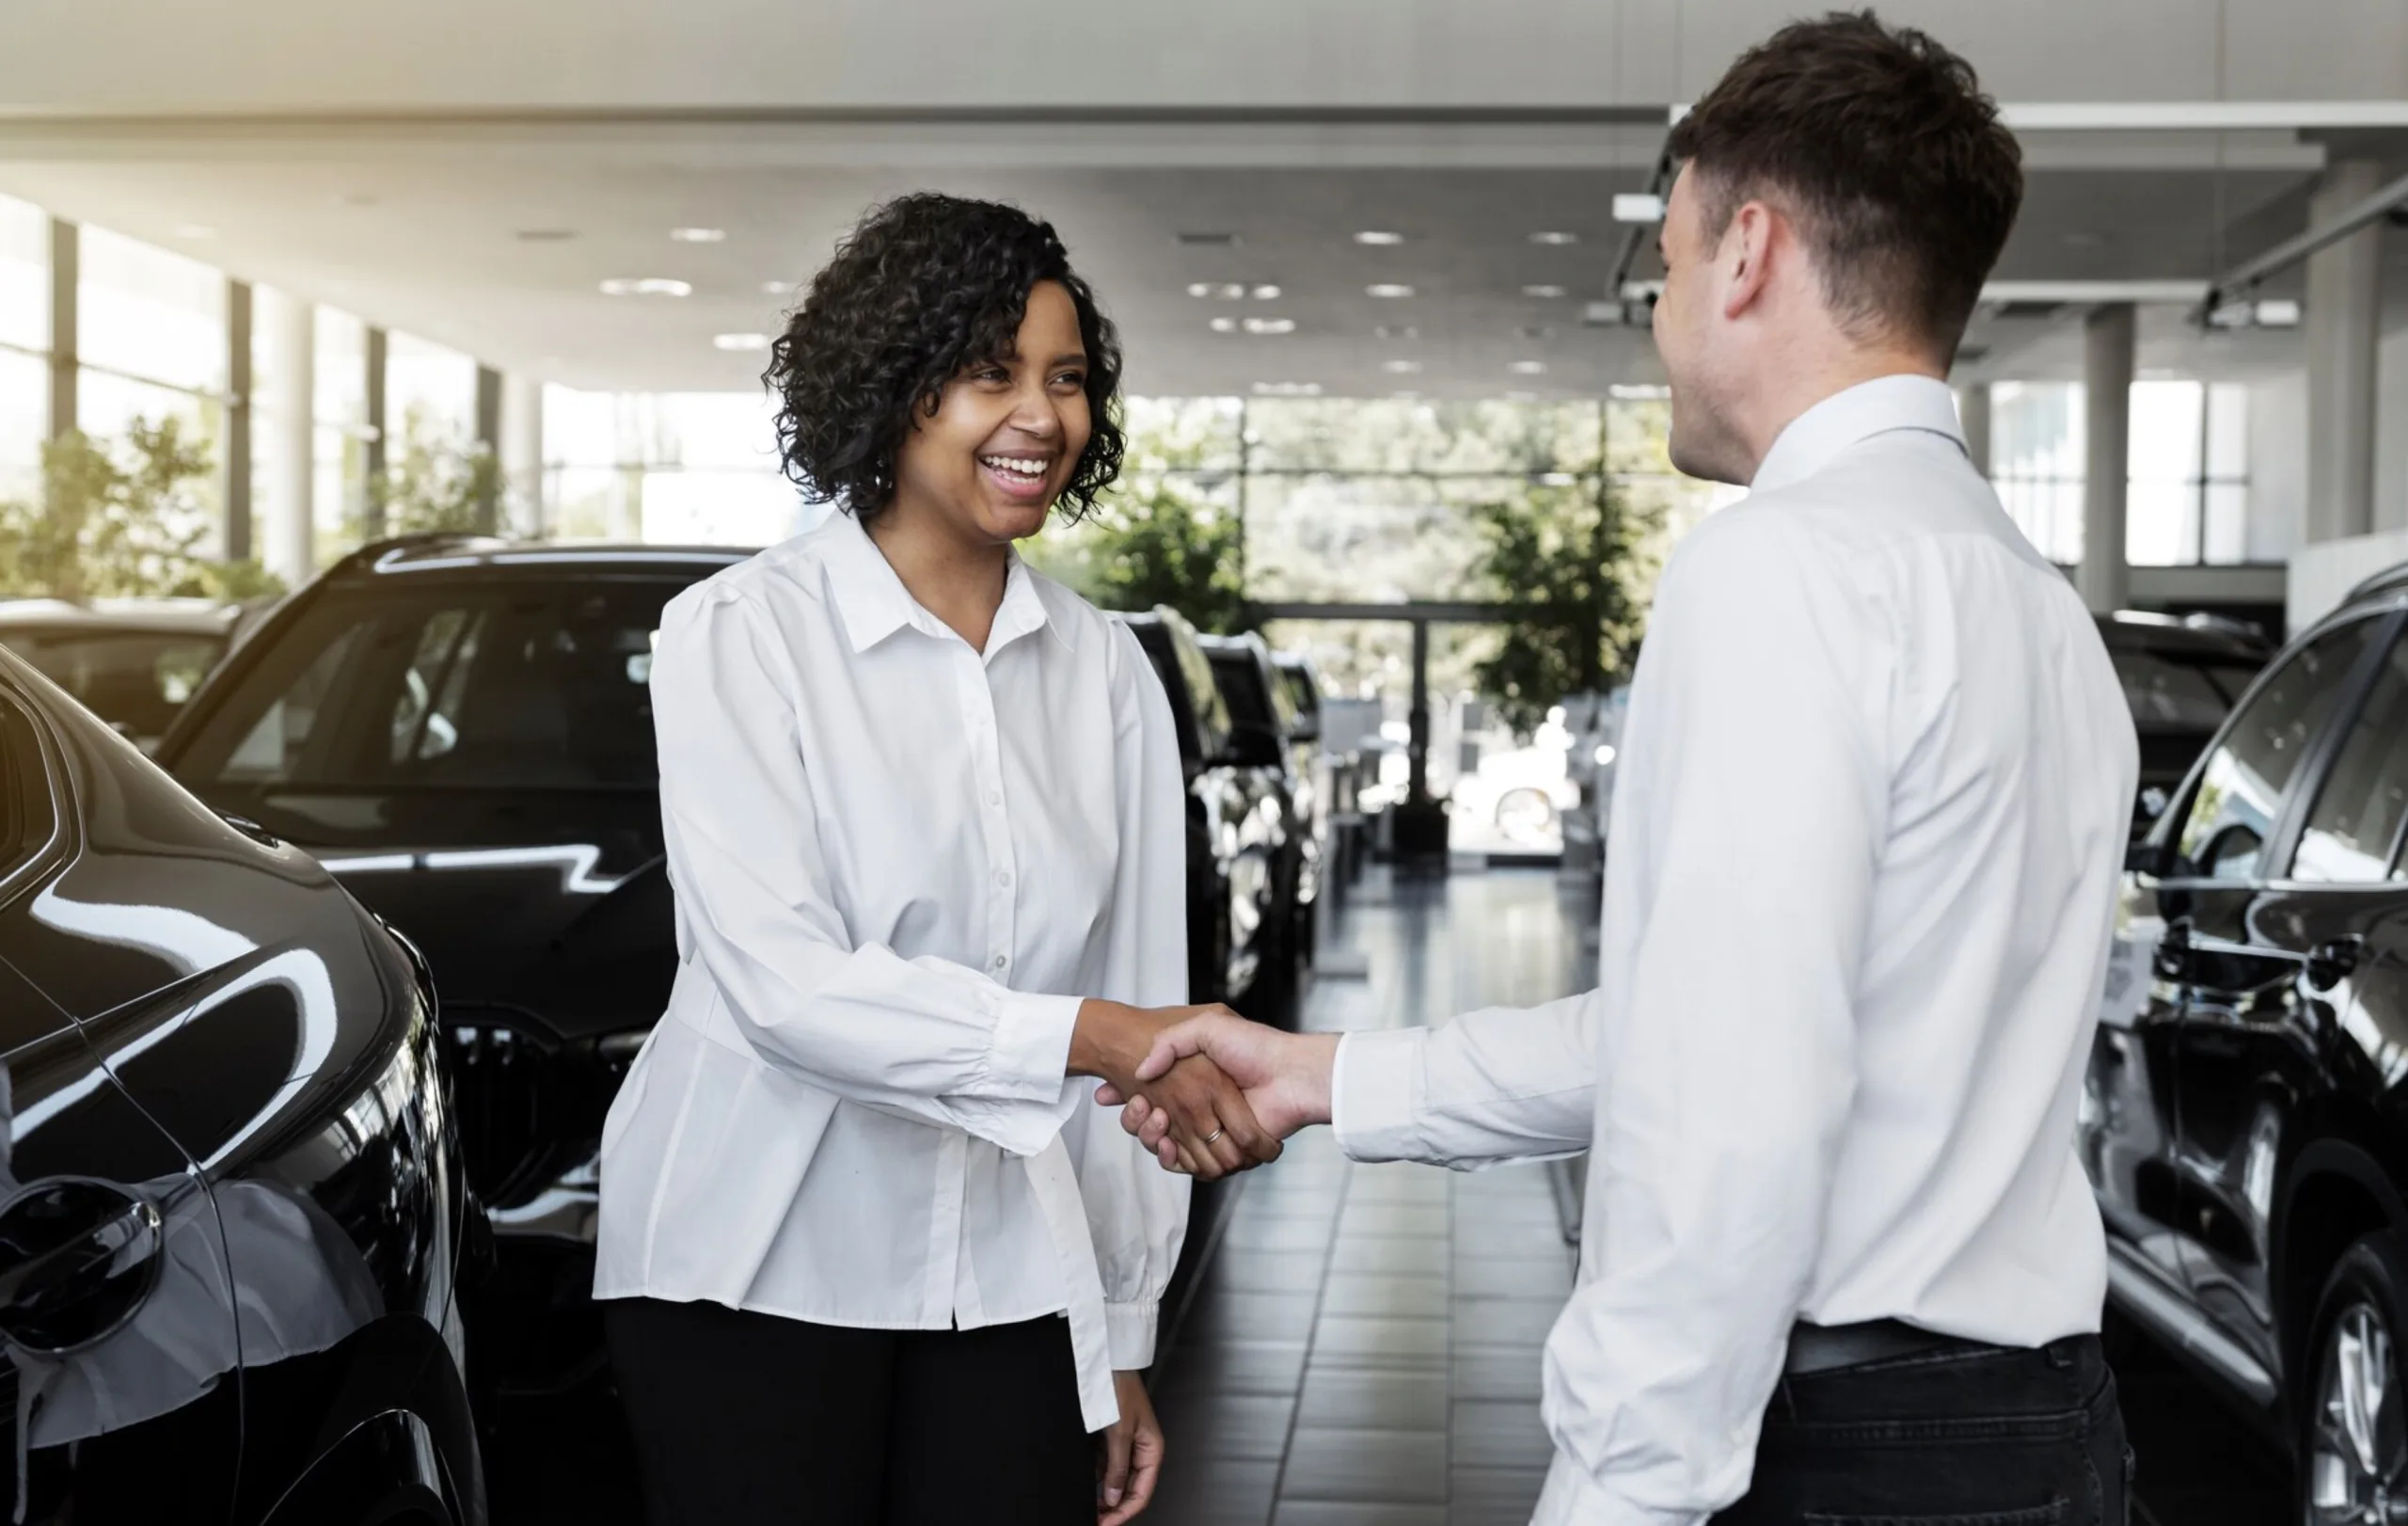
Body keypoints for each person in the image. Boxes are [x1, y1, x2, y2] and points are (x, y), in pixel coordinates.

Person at [1106, 15, 2139, 1525]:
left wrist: (1619, 1495)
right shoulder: (2038, 607)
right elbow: (1703, 1031)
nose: (1657, 313)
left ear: (1748, 255)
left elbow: (1733, 1116)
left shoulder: (1786, 568)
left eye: (1664, 261)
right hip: (2040, 1432)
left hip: (1848, 1453)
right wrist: (1321, 1079)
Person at [594, 192, 1278, 1526]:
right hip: (750, 1264)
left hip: (1014, 1273)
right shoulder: (738, 636)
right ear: (893, 387)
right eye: (990, 373)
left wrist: (1122, 1340)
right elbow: (786, 987)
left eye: (1066, 378)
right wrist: (1092, 1032)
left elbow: (1142, 1022)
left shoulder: (1109, 676)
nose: (1041, 415)